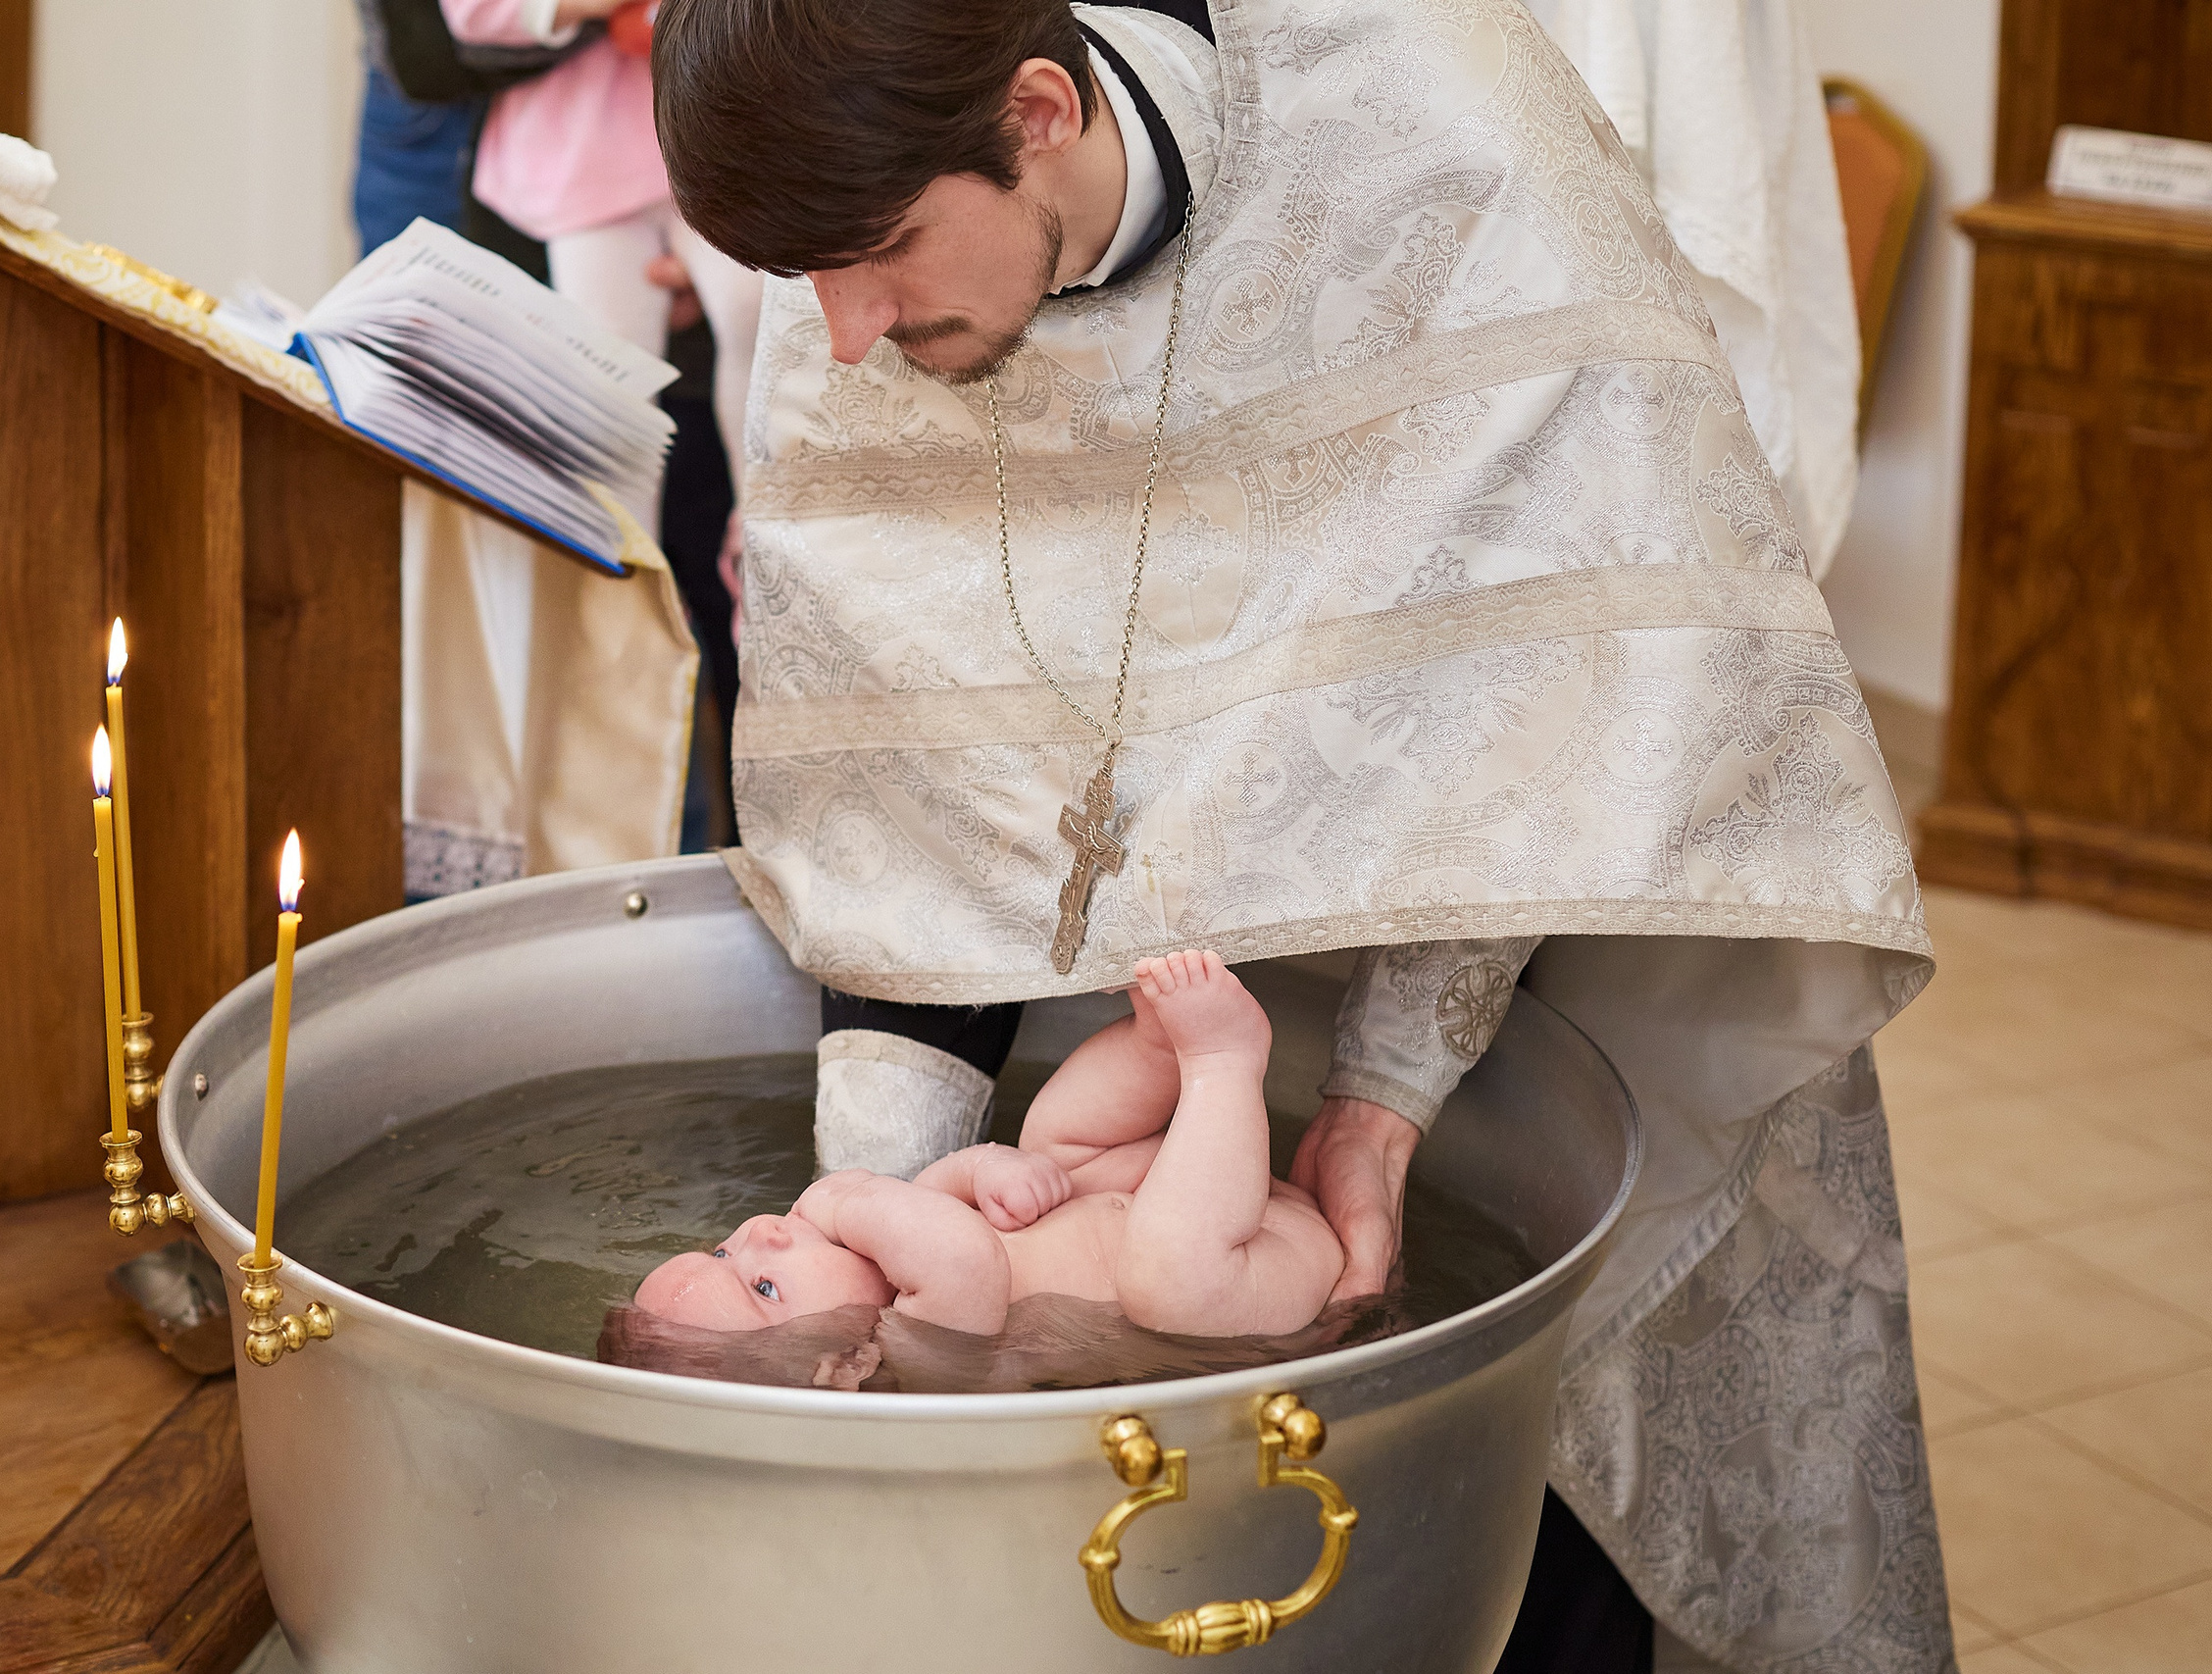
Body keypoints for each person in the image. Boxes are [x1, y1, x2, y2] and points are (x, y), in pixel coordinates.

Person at [651, 2, 1951, 1670]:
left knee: (1530, 1490)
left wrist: (1383, 1100)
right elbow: (902, 762)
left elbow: (1546, 676)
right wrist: (873, 1252)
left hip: (1515, 932)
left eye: (886, 255)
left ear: (1038, 110)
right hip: (1133, 986)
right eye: (803, 279)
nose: (843, 338)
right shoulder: (858, 226)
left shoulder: (1438, 131)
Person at [636, 949, 1341, 1337]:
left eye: (724, 1250)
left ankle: (1159, 1047)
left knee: (1049, 1143)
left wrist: (987, 1168)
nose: (761, 1233)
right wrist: (841, 1196)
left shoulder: (877, 1255)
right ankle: (1222, 1062)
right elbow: (962, 1253)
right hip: (1255, 1262)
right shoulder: (913, 1346)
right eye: (764, 1286)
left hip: (1177, 1185)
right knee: (1169, 1285)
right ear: (843, 1367)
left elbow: (944, 1190)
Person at [438, 0, 765, 499]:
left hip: (731, 134)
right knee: (606, 375)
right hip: (587, 154)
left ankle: (768, 524)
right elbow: (475, 13)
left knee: (763, 319)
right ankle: (616, 546)